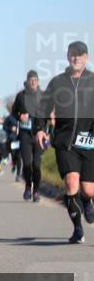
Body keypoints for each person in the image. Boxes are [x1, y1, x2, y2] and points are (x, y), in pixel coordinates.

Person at [35, 41, 94, 244]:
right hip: (65, 141)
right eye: (72, 54)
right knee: (71, 183)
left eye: (80, 54)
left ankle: (87, 201)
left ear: (86, 57)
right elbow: (43, 107)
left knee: (88, 189)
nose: (76, 57)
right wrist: (40, 129)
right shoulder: (58, 82)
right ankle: (77, 229)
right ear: (68, 57)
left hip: (89, 142)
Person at [11, 70, 45, 202]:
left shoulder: (43, 96)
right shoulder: (21, 96)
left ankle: (36, 191)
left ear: (38, 81)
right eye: (31, 80)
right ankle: (27, 186)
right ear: (27, 81)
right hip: (25, 134)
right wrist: (20, 116)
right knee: (27, 164)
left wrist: (47, 129)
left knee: (37, 165)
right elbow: (13, 113)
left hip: (39, 135)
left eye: (35, 80)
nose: (33, 82)